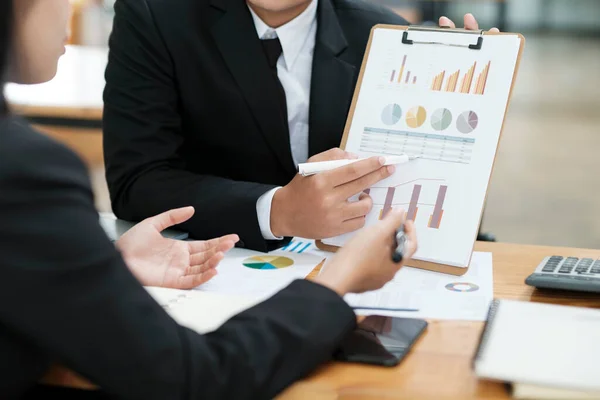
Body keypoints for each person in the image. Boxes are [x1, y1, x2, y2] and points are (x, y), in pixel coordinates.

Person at [0, 1, 417, 398]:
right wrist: (336, 278)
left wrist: (110, 264)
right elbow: (194, 377)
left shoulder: (382, 32)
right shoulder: (27, 173)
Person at [103, 0, 490, 251]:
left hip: (351, 267)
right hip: (220, 262)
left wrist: (462, 122)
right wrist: (277, 211)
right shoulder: (154, 16)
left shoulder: (385, 36)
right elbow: (137, 180)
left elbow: (431, 200)